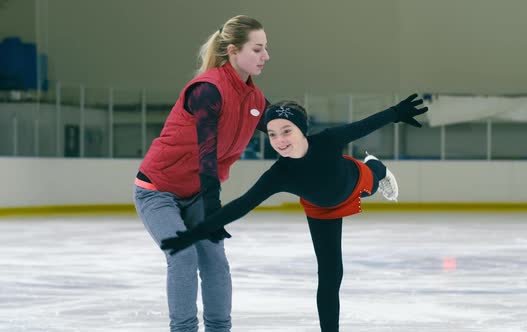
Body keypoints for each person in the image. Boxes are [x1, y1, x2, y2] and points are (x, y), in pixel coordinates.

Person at [160, 94, 429, 332]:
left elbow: (364, 125)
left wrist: (397, 112)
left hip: (355, 180)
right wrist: (194, 233)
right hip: (322, 210)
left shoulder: (327, 141)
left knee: (373, 177)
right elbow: (243, 203)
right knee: (331, 273)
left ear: (301, 130)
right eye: (273, 134)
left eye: (286, 131)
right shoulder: (280, 174)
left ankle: (376, 165)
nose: (279, 140)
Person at [133, 15, 270, 332]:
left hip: (195, 193)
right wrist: (213, 210)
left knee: (214, 260)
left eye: (266, 48)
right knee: (182, 255)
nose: (266, 56)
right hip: (157, 190)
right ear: (234, 51)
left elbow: (287, 127)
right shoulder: (207, 91)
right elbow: (206, 155)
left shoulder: (253, 98)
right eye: (258, 49)